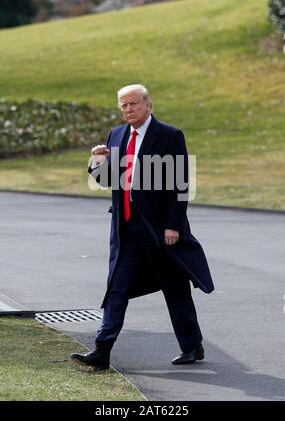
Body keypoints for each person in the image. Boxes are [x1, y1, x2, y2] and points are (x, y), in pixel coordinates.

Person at [71, 84, 214, 370]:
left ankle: (191, 345)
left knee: (175, 288)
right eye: (123, 106)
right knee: (116, 288)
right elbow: (107, 180)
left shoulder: (170, 136)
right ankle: (102, 349)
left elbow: (179, 183)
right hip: (125, 230)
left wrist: (173, 226)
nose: (128, 110)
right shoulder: (116, 134)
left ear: (148, 105)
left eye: (134, 104)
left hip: (158, 230)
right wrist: (97, 161)